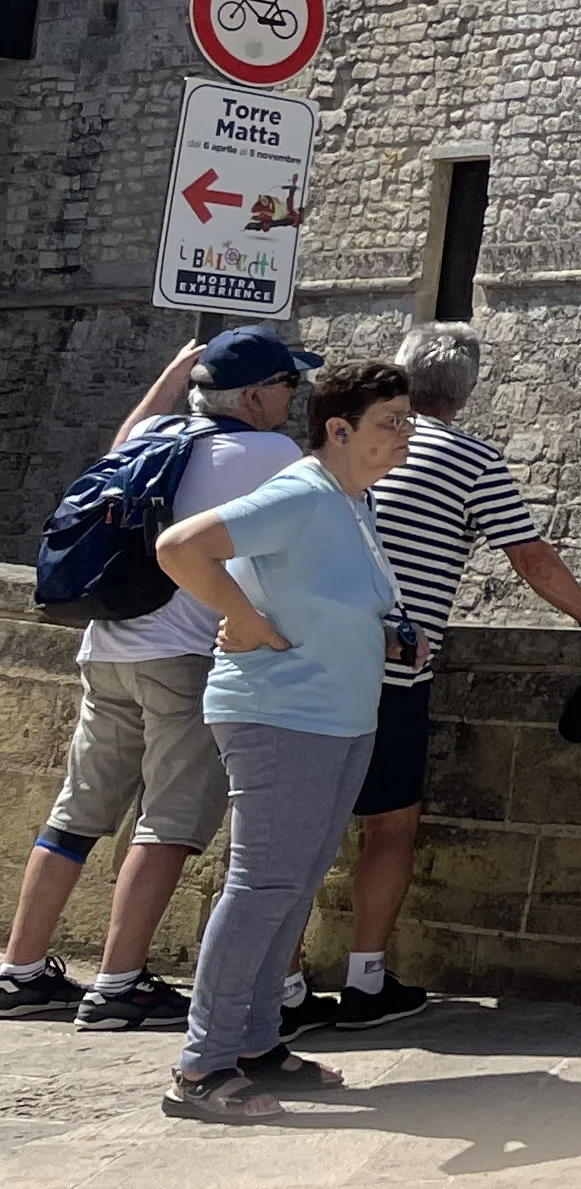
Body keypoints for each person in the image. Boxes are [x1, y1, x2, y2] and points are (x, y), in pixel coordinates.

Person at [323, 321, 581, 1031]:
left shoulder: (342, 445)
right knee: (390, 824)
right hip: (394, 671)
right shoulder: (470, 460)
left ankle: (278, 990)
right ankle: (365, 979)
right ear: (465, 393)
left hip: (309, 656)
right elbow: (531, 560)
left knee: (300, 829)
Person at [1, 331, 314, 1034]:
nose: (294, 401)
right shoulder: (271, 455)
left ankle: (19, 972)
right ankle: (118, 985)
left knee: (76, 814)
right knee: (169, 824)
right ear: (257, 396)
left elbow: (122, 439)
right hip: (182, 656)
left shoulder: (158, 434)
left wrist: (174, 373)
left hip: (107, 647)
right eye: (289, 387)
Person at [148, 357, 420, 1120]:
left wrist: (390, 637)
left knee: (291, 886)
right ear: (339, 430)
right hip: (280, 716)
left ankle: (257, 1044)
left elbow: (328, 596)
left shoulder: (350, 502)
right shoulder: (301, 493)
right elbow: (181, 547)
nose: (404, 434)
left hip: (336, 717)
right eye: (388, 423)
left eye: (406, 420)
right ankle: (201, 1068)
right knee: (264, 885)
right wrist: (235, 614)